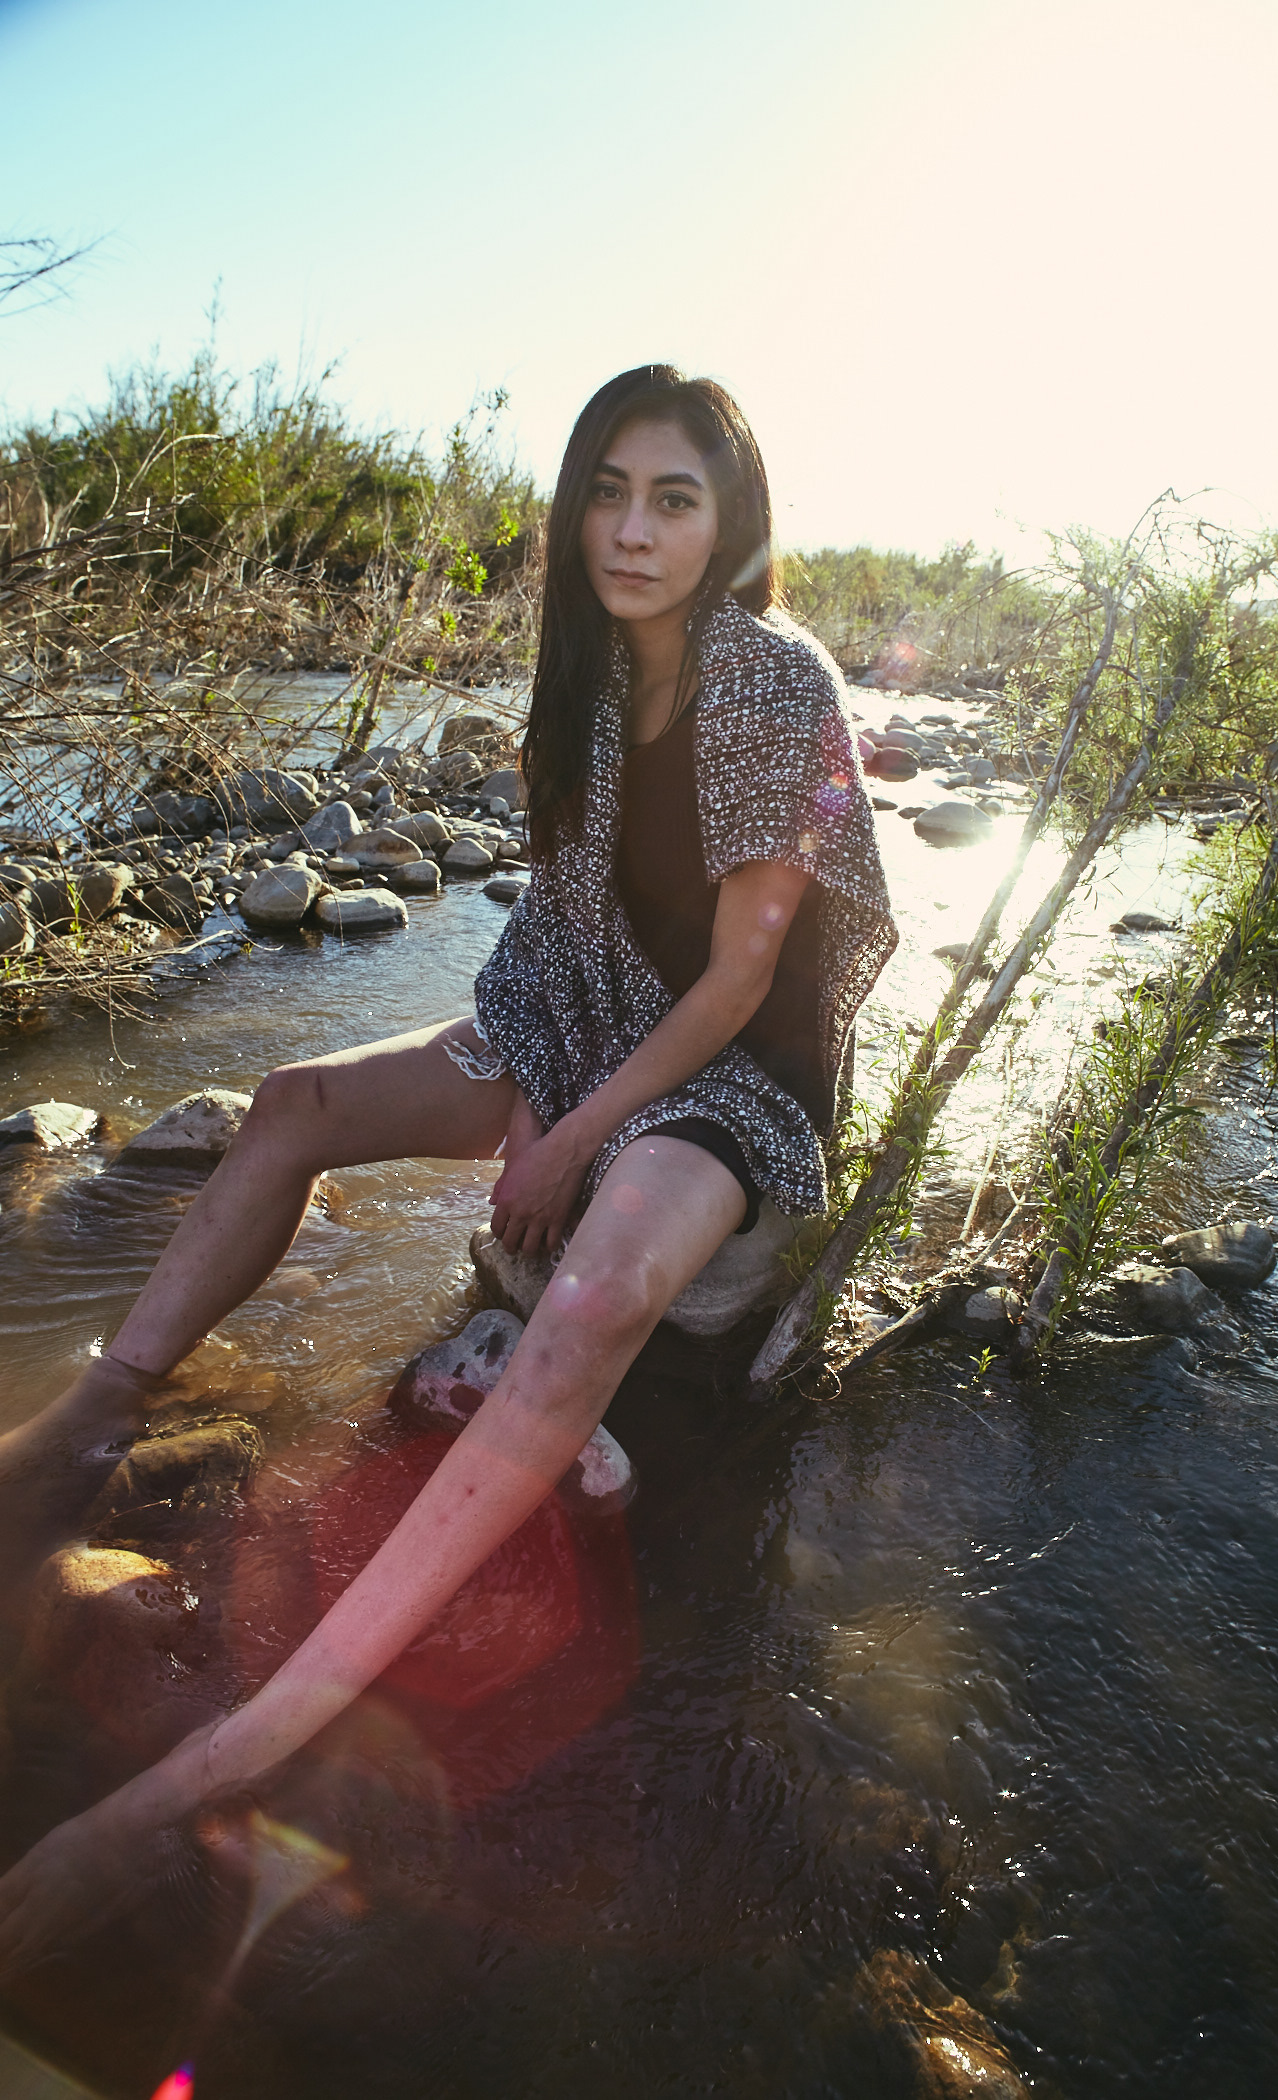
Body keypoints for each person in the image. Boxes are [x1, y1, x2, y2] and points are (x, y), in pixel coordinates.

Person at [0, 364, 896, 1970]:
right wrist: (524, 1080)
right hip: (571, 1015)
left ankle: (241, 1747)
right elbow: (559, 931)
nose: (631, 530)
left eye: (673, 498)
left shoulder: (775, 679)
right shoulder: (583, 669)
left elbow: (744, 984)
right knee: (286, 1100)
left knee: (609, 1273)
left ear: (729, 518)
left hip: (735, 1085)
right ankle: (93, 1414)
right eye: (606, 491)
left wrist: (564, 1134)